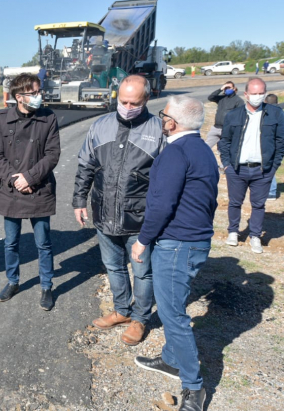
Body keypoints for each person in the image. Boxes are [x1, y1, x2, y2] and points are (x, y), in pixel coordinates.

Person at [131, 96, 219, 411]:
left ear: (173, 122)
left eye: (163, 114)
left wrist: (142, 240)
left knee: (173, 315)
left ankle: (194, 388)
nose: (161, 119)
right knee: (174, 302)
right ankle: (170, 359)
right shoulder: (204, 151)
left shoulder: (175, 153)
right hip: (195, 241)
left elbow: (161, 205)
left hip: (177, 244)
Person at [73, 75, 166, 346]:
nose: (126, 106)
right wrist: (79, 200)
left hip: (140, 220)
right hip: (104, 213)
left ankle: (140, 319)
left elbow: (168, 179)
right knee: (113, 267)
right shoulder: (100, 126)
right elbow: (86, 166)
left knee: (142, 272)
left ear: (146, 99)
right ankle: (122, 310)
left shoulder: (159, 130)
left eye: (133, 102)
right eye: (122, 101)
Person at [0, 73, 60, 310]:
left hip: (39, 189)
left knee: (43, 243)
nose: (40, 96)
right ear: (19, 97)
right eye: (35, 93)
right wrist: (16, 180)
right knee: (11, 242)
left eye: (40, 91)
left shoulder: (48, 118)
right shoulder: (2, 119)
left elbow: (52, 154)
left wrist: (29, 178)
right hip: (10, 191)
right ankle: (13, 281)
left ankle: (46, 286)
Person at [219, 77, 284, 254]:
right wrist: (226, 165)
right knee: (234, 202)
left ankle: (255, 236)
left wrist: (273, 166)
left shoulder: (276, 113)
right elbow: (224, 141)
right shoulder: (233, 115)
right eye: (254, 93)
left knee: (258, 204)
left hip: (262, 170)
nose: (257, 96)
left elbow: (280, 142)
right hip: (237, 168)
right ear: (246, 94)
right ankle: (233, 232)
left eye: (261, 93)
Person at [205, 81, 243, 154]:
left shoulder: (238, 100)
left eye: (229, 87)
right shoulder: (221, 98)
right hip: (216, 128)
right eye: (226, 88)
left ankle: (224, 165)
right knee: (206, 147)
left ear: (234, 88)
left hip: (227, 129)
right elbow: (210, 98)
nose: (227, 89)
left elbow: (240, 115)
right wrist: (220, 89)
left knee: (223, 150)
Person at [265, 94, 280, 200]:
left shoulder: (268, 113)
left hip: (271, 143)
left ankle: (271, 191)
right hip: (278, 143)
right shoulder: (280, 112)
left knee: (270, 166)